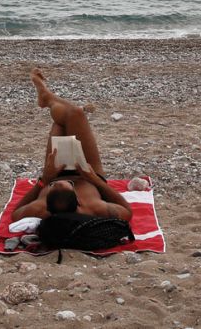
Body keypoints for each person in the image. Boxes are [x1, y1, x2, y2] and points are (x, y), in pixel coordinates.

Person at [11, 68, 132, 223]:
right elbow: (128, 211)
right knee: (76, 113)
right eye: (69, 185)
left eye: (53, 186)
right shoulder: (95, 208)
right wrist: (94, 179)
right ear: (79, 202)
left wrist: (45, 180)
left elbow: (15, 214)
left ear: (47, 205)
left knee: (60, 123)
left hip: (53, 172)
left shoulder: (39, 209)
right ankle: (47, 98)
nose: (65, 182)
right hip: (88, 175)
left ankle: (47, 98)